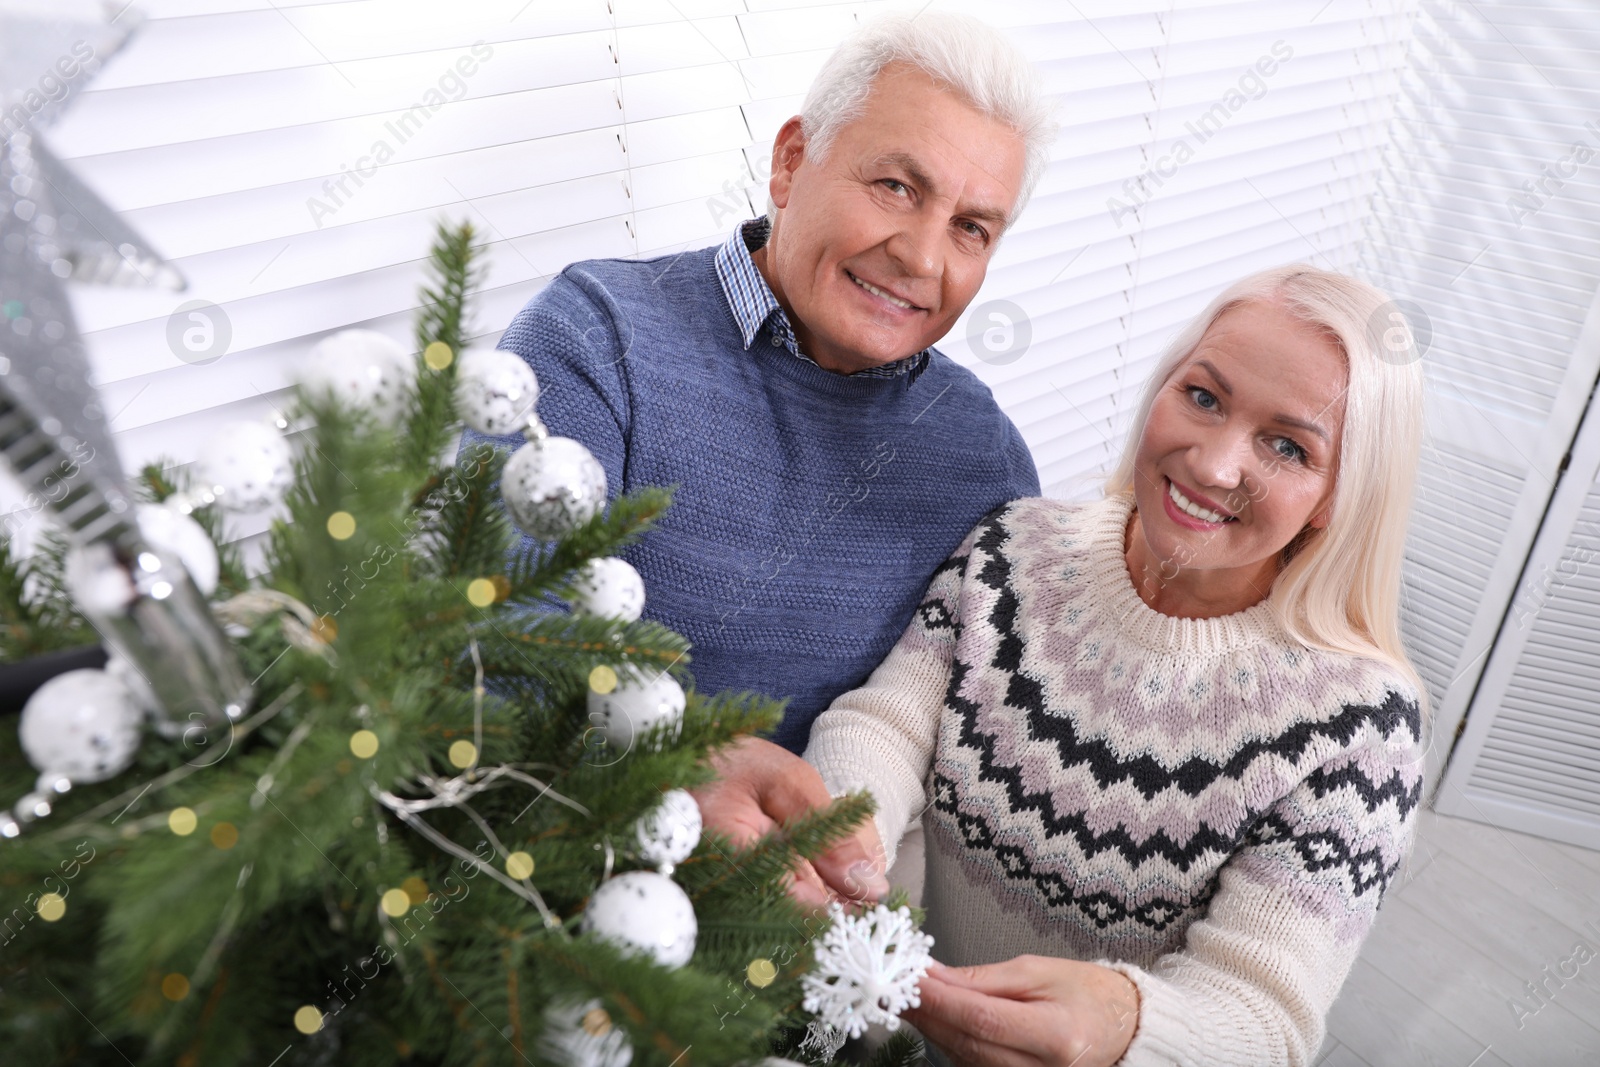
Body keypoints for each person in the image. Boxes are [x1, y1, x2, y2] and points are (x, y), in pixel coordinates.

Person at [471, 13, 1056, 904]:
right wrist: (670, 759)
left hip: (815, 935)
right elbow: (491, 646)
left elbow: (984, 737)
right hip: (554, 893)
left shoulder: (984, 459)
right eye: (897, 186)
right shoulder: (596, 338)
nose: (922, 256)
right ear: (791, 161)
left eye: (972, 227)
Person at [802, 265, 1430, 1065]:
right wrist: (839, 832)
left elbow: (1265, 1015)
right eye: (1203, 396)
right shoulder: (1015, 545)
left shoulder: (1361, 732)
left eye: (1286, 445)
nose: (1212, 463)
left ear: (1341, 494)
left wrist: (1126, 1021)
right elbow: (888, 723)